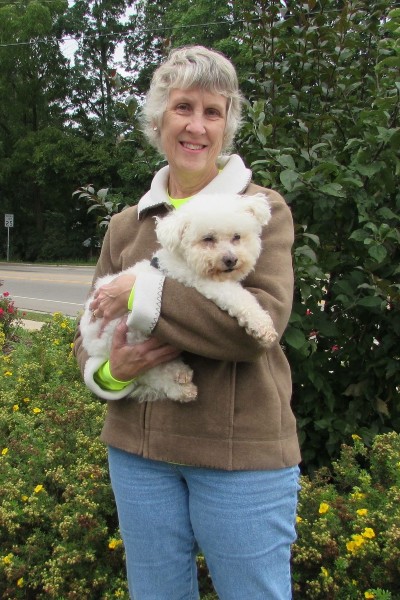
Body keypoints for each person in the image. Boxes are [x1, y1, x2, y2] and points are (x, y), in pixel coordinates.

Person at [74, 45, 301, 600]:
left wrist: (142, 289)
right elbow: (89, 334)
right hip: (138, 452)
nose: (196, 125)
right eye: (183, 107)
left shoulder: (258, 209)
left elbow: (255, 326)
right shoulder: (128, 225)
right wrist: (112, 372)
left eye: (213, 111)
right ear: (158, 120)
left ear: (228, 124)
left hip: (238, 453)